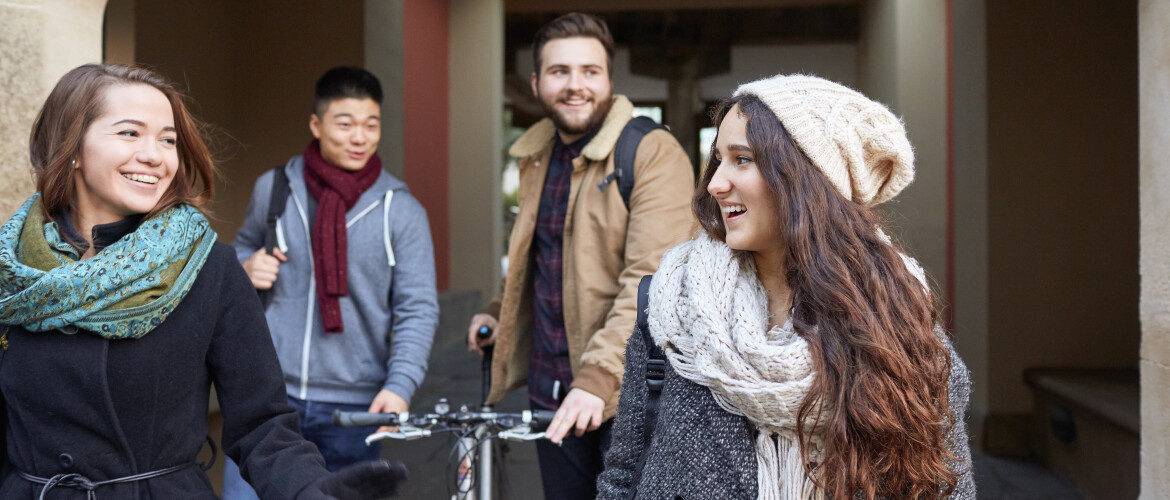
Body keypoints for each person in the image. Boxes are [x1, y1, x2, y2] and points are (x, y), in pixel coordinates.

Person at [0, 63, 405, 499]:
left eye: (168, 140)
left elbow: (262, 425)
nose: (155, 155)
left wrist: (311, 491)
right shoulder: (13, 272)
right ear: (72, 147)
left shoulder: (208, 268)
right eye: (130, 133)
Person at [597, 74, 976, 499]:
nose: (715, 184)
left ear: (807, 178)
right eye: (718, 159)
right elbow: (623, 475)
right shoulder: (675, 305)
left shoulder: (899, 327)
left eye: (742, 159)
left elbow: (944, 486)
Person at [465, 12, 695, 500]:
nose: (575, 85)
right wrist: (497, 311)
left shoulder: (651, 152)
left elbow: (652, 282)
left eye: (590, 71)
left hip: (630, 393)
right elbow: (537, 256)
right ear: (536, 83)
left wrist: (598, 377)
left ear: (609, 79)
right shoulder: (537, 155)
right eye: (559, 71)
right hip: (552, 391)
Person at [223, 66, 438, 498]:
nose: (360, 137)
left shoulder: (401, 211)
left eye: (371, 125)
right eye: (345, 124)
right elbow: (242, 246)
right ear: (316, 124)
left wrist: (400, 386)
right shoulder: (275, 189)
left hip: (354, 409)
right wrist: (246, 265)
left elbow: (418, 308)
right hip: (269, 398)